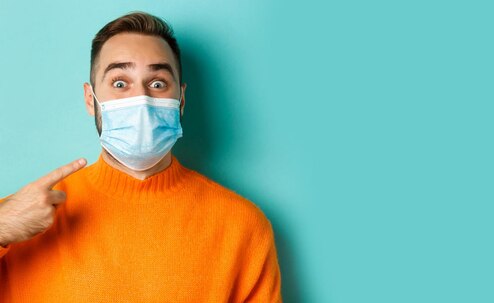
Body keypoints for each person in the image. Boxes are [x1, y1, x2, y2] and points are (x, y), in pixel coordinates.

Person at [0, 11, 282, 302]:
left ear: (181, 100)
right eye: (120, 83)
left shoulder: (242, 226)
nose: (142, 99)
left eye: (158, 83)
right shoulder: (22, 218)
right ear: (90, 99)